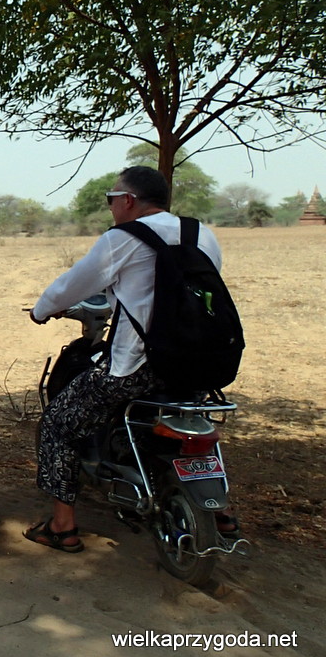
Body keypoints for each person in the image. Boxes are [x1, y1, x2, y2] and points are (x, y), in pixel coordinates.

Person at [25, 165, 236, 552]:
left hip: (138, 367)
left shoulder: (123, 237)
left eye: (111, 199)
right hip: (201, 365)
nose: (110, 207)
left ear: (127, 200)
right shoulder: (201, 233)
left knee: (58, 423)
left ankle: (61, 526)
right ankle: (220, 512)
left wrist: (41, 310)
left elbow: (73, 284)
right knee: (194, 422)